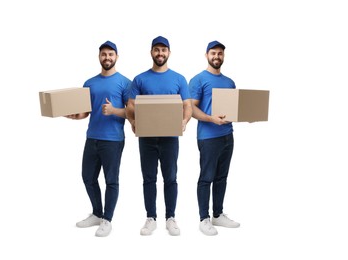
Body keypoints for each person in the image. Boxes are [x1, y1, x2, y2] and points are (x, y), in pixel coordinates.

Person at [126, 36, 192, 236]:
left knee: (170, 178)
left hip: (170, 137)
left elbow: (187, 106)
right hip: (146, 137)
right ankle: (151, 218)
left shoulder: (179, 79)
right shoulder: (140, 79)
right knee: (148, 178)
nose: (160, 53)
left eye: (164, 50)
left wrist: (184, 121)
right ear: (151, 52)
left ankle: (170, 217)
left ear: (169, 53)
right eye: (157, 49)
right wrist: (133, 121)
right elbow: (130, 106)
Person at [65, 40, 131, 237]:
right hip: (92, 137)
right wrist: (72, 115)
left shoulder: (125, 83)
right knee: (88, 177)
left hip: (113, 139)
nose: (107, 57)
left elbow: (133, 113)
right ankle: (96, 213)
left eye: (111, 54)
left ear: (116, 57)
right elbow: (85, 112)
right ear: (99, 57)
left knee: (111, 180)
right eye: (104, 54)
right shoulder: (89, 83)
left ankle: (107, 219)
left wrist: (113, 110)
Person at [189, 40, 240, 236]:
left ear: (223, 56)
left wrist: (248, 115)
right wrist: (210, 118)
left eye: (220, 53)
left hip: (228, 136)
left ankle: (218, 214)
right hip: (208, 137)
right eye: (213, 53)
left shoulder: (229, 82)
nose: (216, 57)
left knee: (222, 177)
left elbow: (234, 108)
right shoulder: (198, 80)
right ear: (206, 55)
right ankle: (204, 218)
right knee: (206, 177)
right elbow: (191, 108)